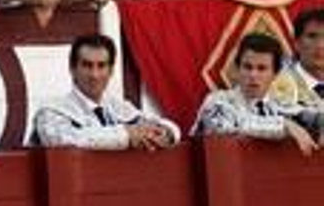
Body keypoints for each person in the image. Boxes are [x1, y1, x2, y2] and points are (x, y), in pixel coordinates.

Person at [31, 33, 182, 149]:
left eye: (101, 66)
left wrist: (164, 133)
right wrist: (125, 135)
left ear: (111, 71)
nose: (94, 75)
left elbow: (168, 126)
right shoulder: (52, 111)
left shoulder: (120, 108)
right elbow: (62, 140)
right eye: (87, 65)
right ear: (72, 69)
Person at [192, 32, 320, 154]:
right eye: (247, 67)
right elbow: (222, 126)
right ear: (237, 69)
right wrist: (284, 125)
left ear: (275, 74)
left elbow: (311, 115)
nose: (253, 75)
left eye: (262, 68)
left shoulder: (281, 106)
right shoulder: (217, 101)